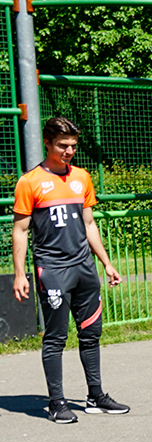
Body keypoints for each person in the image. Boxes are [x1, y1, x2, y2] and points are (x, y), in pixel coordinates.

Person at [12, 116, 129, 424]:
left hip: (84, 268)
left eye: (73, 146)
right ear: (47, 143)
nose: (69, 151)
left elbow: (89, 224)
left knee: (91, 333)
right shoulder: (29, 182)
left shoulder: (82, 177)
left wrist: (106, 263)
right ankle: (56, 402)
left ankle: (96, 396)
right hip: (52, 269)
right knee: (56, 337)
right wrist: (20, 274)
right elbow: (20, 230)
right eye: (62, 145)